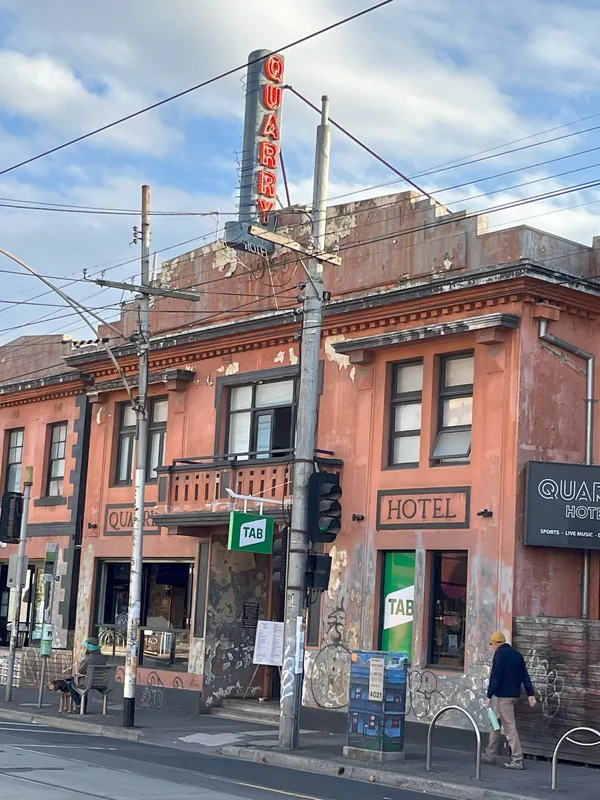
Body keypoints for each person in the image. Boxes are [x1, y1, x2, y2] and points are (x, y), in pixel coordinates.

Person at [482, 631, 536, 770]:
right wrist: (530, 694)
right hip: (513, 696)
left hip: (504, 697)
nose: (492, 648)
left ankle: (517, 759)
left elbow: (495, 677)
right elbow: (525, 675)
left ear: (496, 644)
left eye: (492, 645)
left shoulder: (499, 655)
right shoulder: (516, 654)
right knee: (496, 723)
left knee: (509, 727)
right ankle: (490, 753)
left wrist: (489, 696)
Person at [67, 637, 107, 711]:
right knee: (84, 684)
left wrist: (84, 658)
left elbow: (81, 671)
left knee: (70, 684)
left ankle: (79, 705)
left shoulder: (88, 659)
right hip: (100, 682)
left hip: (88, 682)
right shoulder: (102, 658)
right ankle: (82, 707)